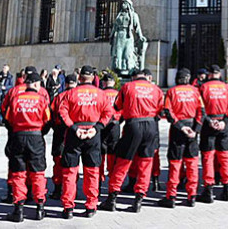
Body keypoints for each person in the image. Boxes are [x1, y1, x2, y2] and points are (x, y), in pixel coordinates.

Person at [99, 68, 163, 213]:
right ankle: (139, 200)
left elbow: (117, 106)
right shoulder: (156, 89)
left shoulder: (128, 87)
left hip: (133, 125)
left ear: (133, 77)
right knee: (146, 163)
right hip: (151, 125)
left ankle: (112, 198)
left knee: (123, 161)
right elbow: (160, 110)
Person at [57, 66, 113, 219]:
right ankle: (91, 206)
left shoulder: (70, 94)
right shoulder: (101, 94)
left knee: (70, 171)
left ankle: (68, 207)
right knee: (92, 171)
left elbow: (62, 112)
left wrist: (74, 127)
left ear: (79, 78)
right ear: (93, 77)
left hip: (75, 134)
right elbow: (109, 112)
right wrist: (98, 128)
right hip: (93, 134)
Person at [4, 72, 52, 222]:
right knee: (38, 172)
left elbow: (7, 120)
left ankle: (18, 209)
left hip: (18, 136)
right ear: (37, 84)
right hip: (36, 137)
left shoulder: (15, 99)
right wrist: (39, 132)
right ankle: (40, 207)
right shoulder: (42, 99)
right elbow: (48, 120)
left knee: (18, 173)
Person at [159, 68, 204, 208]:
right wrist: (196, 130)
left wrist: (179, 126)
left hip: (178, 129)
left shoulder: (172, 92)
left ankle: (171, 196)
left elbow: (168, 111)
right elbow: (201, 111)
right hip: (192, 129)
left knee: (175, 164)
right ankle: (192, 196)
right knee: (192, 164)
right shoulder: (195, 92)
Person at [197, 64, 228, 203]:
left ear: (209, 74)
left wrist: (209, 121)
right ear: (219, 74)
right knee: (225, 157)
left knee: (208, 157)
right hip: (223, 125)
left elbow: (200, 108)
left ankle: (208, 190)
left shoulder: (203, 88)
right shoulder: (227, 88)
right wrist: (224, 121)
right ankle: (227, 190)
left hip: (209, 125)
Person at [49, 74, 77, 200]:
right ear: (75, 83)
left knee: (58, 161)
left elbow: (51, 115)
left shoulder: (58, 97)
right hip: (75, 131)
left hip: (60, 132)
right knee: (73, 163)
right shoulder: (78, 96)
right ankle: (71, 189)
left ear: (65, 84)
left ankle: (57, 189)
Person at [99, 73, 120, 187]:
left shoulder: (101, 94)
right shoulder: (118, 94)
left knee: (101, 153)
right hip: (114, 126)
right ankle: (112, 180)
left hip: (102, 125)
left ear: (104, 83)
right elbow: (122, 109)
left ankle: (99, 180)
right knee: (113, 153)